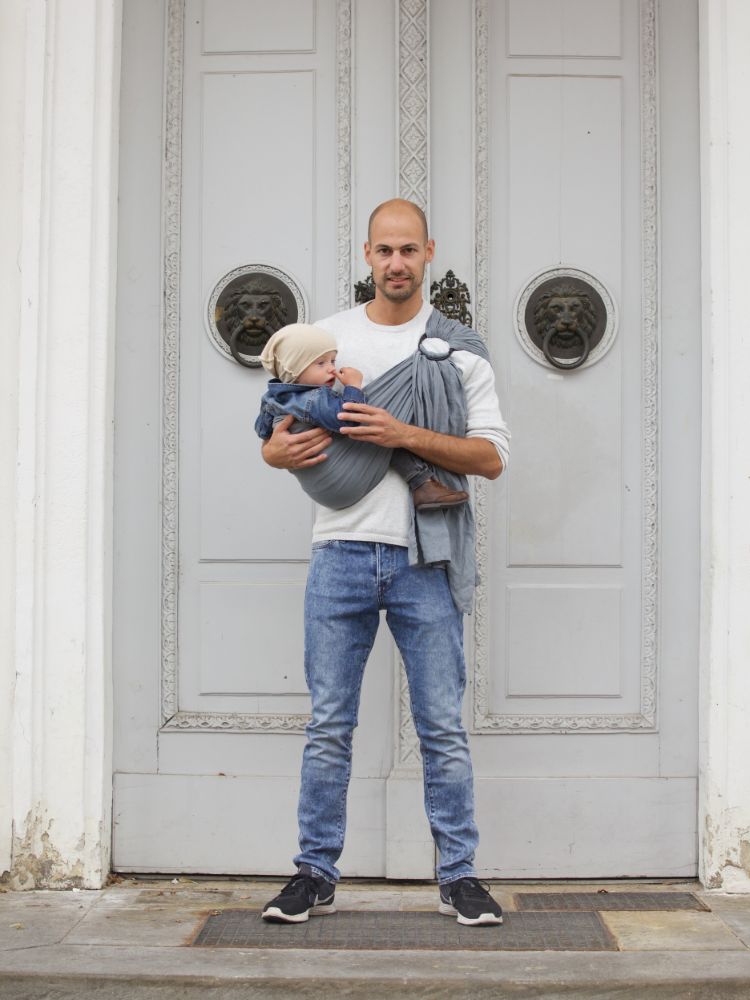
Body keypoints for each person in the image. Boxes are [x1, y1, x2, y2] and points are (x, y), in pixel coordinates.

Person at [260, 199, 510, 927]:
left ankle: (459, 877)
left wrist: (404, 431)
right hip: (338, 551)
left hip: (422, 558)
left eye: (409, 250)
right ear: (366, 255)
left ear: (428, 252)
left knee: (441, 726)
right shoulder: (325, 337)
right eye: (384, 251)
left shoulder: (457, 348)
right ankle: (313, 873)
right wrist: (274, 453)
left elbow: (491, 457)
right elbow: (277, 426)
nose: (396, 264)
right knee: (329, 725)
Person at [255, 323, 470, 511]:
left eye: (333, 360)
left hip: (321, 488)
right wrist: (353, 386)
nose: (332, 369)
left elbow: (263, 431)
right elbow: (351, 419)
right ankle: (422, 482)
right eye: (321, 363)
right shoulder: (314, 398)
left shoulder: (272, 398)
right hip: (337, 481)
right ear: (295, 367)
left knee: (383, 432)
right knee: (378, 432)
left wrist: (270, 448)